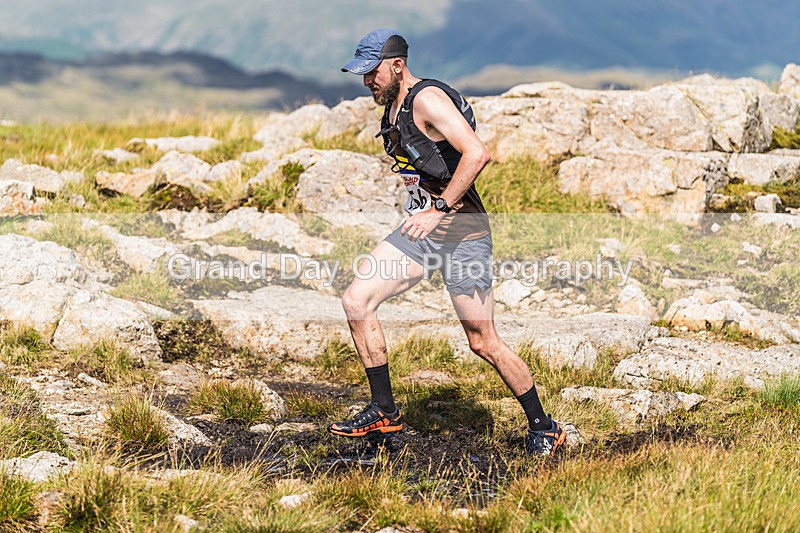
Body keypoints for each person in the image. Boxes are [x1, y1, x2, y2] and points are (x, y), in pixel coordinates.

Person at [328, 28, 566, 456]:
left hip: (461, 234)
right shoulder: (393, 107)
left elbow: (477, 153)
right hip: (420, 234)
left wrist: (438, 208)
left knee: (482, 341)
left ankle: (544, 427)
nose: (366, 82)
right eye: (361, 74)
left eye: (372, 72)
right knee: (356, 301)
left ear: (397, 65)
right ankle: (384, 411)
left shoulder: (427, 99)